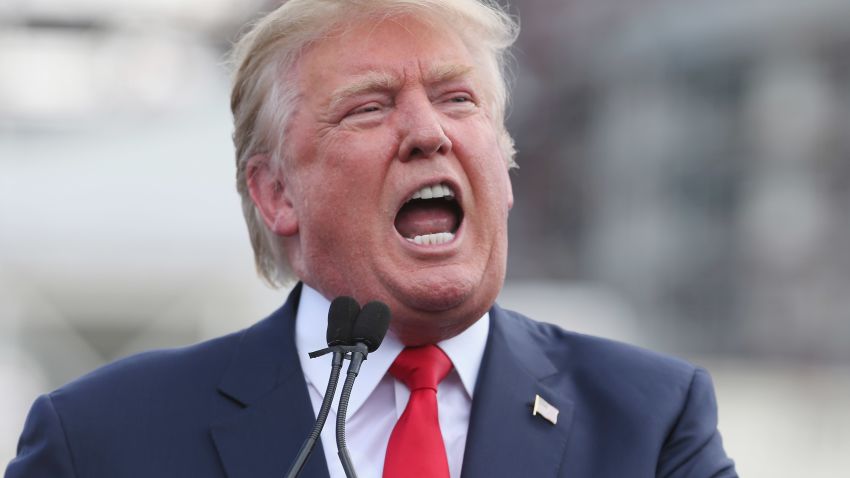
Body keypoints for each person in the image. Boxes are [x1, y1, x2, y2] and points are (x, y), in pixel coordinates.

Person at [5, 1, 738, 477]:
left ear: (505, 172)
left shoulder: (650, 422)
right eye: (369, 108)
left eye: (459, 100)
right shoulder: (101, 443)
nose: (428, 133)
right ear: (276, 193)